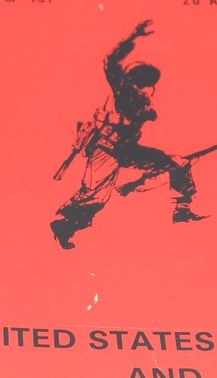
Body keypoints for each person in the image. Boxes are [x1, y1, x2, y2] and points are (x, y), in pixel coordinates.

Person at [50, 20, 200, 249]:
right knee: (95, 196)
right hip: (106, 149)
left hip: (126, 149)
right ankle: (64, 225)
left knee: (177, 163)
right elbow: (110, 62)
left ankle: (182, 210)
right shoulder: (125, 90)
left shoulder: (139, 99)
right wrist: (133, 37)